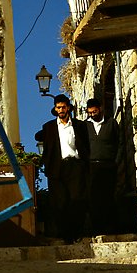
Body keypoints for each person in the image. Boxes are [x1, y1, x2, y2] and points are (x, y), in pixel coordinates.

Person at [35, 94, 90, 243]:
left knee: (77, 200)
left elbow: (86, 144)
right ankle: (65, 235)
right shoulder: (49, 127)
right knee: (60, 202)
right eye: (58, 107)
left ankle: (76, 232)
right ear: (55, 109)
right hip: (57, 168)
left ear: (68, 108)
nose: (61, 110)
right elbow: (37, 137)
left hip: (76, 166)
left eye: (63, 107)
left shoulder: (79, 125)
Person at [85, 98, 123, 236]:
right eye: (90, 113)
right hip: (91, 167)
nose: (93, 115)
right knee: (94, 198)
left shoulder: (111, 123)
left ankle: (111, 228)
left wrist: (116, 161)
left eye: (94, 112)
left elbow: (119, 143)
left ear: (100, 109)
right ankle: (96, 229)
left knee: (109, 196)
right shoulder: (85, 126)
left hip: (109, 165)